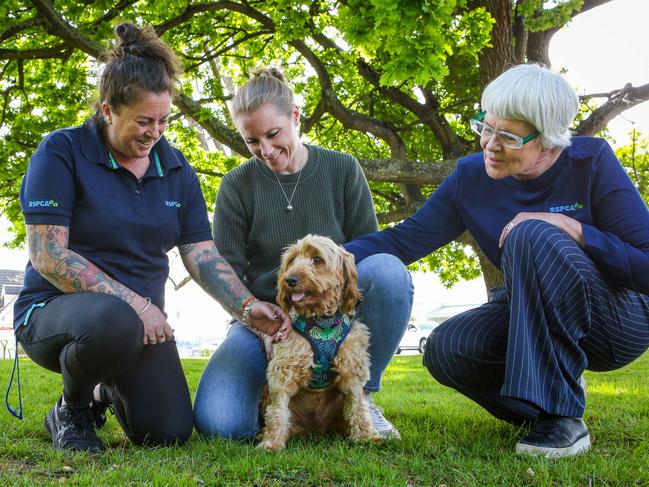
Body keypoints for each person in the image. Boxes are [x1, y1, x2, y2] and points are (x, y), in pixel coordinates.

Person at [10, 24, 290, 453]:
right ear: (108, 111)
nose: (155, 131)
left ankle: (104, 391)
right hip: (57, 314)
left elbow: (201, 255)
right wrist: (137, 305)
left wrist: (250, 309)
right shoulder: (61, 152)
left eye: (163, 120)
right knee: (113, 320)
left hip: (144, 326)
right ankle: (71, 408)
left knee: (168, 433)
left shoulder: (176, 168)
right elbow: (48, 255)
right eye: (143, 120)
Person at [344, 64, 649, 457]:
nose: (489, 143)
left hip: (615, 320)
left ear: (551, 140)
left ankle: (562, 417)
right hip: (528, 309)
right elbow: (404, 239)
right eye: (485, 127)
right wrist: (317, 260)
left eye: (507, 135)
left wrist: (573, 228)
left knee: (533, 232)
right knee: (447, 348)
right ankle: (542, 407)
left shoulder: (592, 162)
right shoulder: (470, 177)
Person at [193, 67, 413, 440]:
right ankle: (279, 410)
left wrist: (339, 323)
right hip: (266, 319)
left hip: (333, 318)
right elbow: (225, 271)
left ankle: (360, 398)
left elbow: (367, 253)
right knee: (222, 425)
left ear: (295, 115)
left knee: (389, 271)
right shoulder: (236, 185)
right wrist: (254, 319)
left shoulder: (343, 169)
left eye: (273, 134)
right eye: (252, 141)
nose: (266, 150)